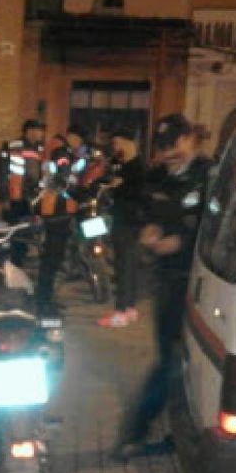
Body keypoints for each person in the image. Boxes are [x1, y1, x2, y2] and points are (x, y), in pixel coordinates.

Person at [121, 113, 213, 453]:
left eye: (174, 144)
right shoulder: (156, 177)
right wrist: (149, 231)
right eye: (162, 146)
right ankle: (165, 430)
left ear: (189, 138)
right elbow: (143, 212)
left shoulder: (210, 175)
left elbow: (219, 226)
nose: (169, 153)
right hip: (168, 279)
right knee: (171, 357)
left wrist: (182, 243)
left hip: (202, 280)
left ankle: (141, 430)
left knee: (179, 360)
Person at [98, 132, 146, 328]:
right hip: (128, 222)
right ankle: (130, 308)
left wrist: (118, 187)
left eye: (117, 143)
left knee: (124, 267)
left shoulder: (136, 168)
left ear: (129, 142)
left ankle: (120, 313)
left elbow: (136, 194)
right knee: (129, 266)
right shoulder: (127, 165)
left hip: (128, 222)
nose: (116, 147)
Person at [34, 144, 79, 315]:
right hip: (55, 225)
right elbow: (55, 197)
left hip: (59, 224)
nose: (65, 163)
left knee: (52, 265)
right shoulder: (54, 178)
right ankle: (44, 303)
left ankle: (47, 299)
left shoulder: (62, 176)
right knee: (50, 265)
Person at [0, 119, 46, 266]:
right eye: (39, 130)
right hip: (14, 197)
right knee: (15, 232)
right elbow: (2, 173)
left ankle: (20, 259)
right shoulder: (14, 146)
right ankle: (14, 263)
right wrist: (4, 197)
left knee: (27, 230)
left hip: (31, 197)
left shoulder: (39, 149)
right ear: (30, 131)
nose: (41, 134)